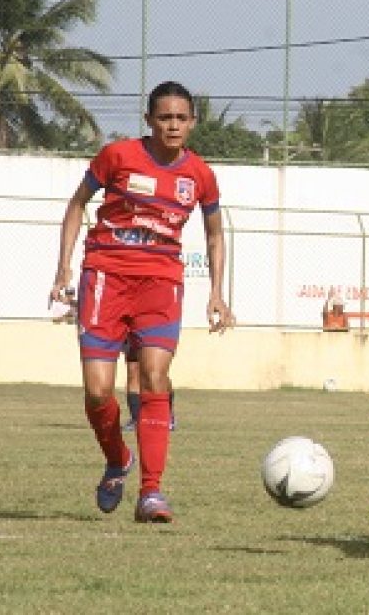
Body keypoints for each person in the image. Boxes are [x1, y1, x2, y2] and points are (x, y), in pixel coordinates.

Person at [49, 80, 234, 524]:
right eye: (164, 117)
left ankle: (151, 492)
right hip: (106, 277)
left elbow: (213, 234)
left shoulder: (201, 176)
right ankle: (117, 458)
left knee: (154, 376)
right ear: (149, 120)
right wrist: (64, 267)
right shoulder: (118, 156)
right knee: (97, 392)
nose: (173, 125)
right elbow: (77, 205)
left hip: (160, 282)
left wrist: (216, 293)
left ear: (192, 122)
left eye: (181, 118)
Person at [122, 347, 177, 433]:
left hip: (158, 335)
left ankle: (168, 416)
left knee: (157, 373)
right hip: (130, 335)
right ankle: (136, 419)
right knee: (133, 369)